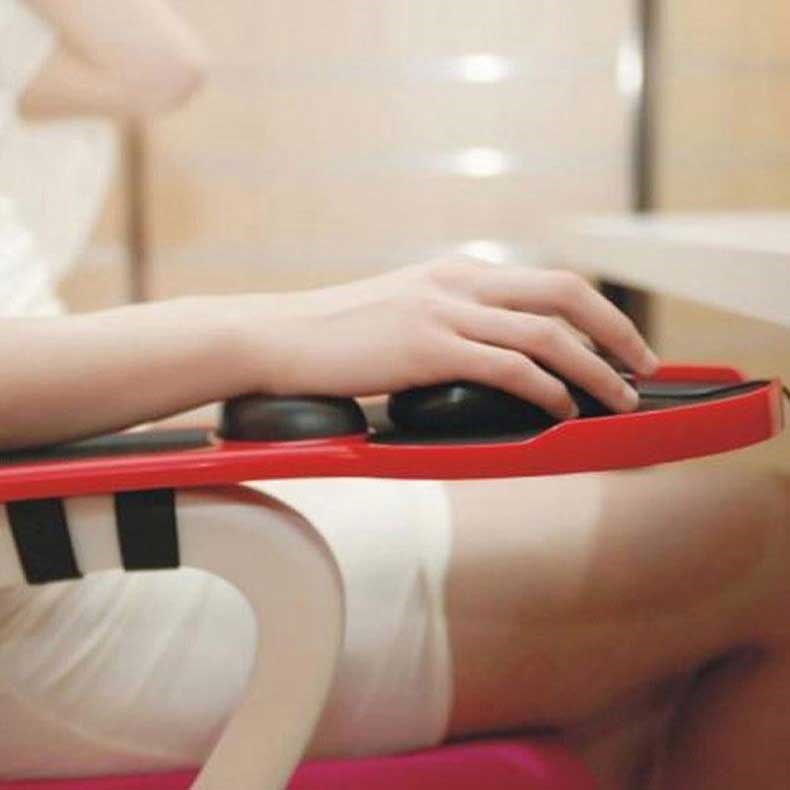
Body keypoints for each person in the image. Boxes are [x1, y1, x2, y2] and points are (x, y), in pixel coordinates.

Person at [0, 3, 788, 789]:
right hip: (56, 588)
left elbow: (159, 64)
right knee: (769, 545)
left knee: (665, 592)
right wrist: (274, 335)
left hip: (70, 525)